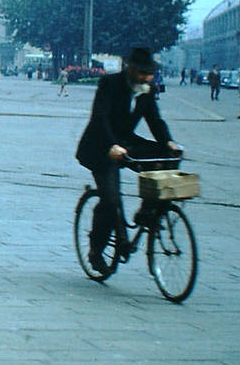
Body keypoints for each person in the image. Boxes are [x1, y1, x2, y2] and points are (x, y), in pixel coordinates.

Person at [76, 47, 180, 274]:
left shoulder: (147, 89)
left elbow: (154, 119)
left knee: (165, 157)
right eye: (143, 73)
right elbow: (100, 117)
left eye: (149, 73)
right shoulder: (110, 84)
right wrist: (111, 145)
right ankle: (96, 251)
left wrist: (169, 142)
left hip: (126, 142)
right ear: (130, 69)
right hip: (100, 145)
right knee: (110, 201)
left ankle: (148, 210)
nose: (147, 77)